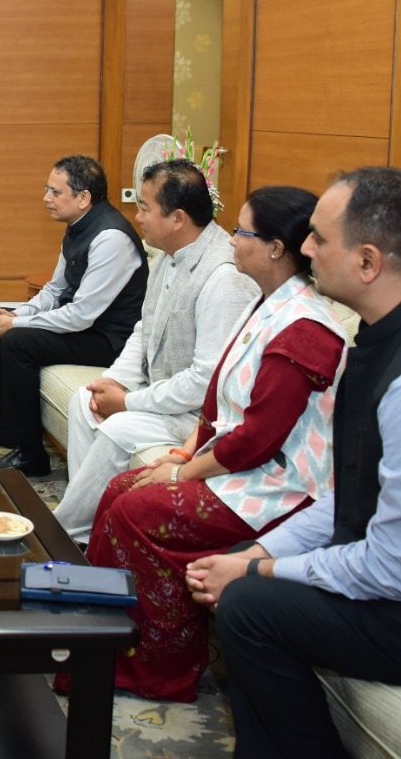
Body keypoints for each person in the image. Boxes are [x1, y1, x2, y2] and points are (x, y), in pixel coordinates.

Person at [186, 167, 401, 757]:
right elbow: (353, 493)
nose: (306, 249)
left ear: (368, 262)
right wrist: (259, 553)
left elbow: (400, 572)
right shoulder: (400, 325)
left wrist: (255, 574)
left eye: (318, 238)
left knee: (250, 606)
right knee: (247, 573)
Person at [73, 185, 346, 702]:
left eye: (242, 231)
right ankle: (97, 641)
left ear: (276, 248)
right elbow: (222, 406)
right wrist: (181, 455)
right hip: (237, 466)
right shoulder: (268, 306)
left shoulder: (306, 327)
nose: (232, 240)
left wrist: (180, 474)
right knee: (119, 491)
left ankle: (158, 665)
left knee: (140, 510)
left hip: (279, 487)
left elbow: (258, 439)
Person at [53, 159, 258, 542]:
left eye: (145, 207)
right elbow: (144, 329)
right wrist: (113, 382)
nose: (137, 216)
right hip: (164, 392)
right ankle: (86, 528)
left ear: (177, 218)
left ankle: (63, 530)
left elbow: (205, 381)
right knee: (87, 401)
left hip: (197, 415)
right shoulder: (167, 255)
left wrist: (129, 402)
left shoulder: (222, 276)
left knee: (118, 426)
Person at [0, 154, 149, 477]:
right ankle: (8, 427)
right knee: (3, 319)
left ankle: (31, 455)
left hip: (111, 340)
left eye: (55, 192)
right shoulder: (77, 226)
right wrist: (9, 315)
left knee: (17, 340)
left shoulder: (111, 238)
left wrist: (14, 325)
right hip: (89, 327)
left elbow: (80, 316)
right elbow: (54, 290)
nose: (46, 199)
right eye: (46, 190)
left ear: (83, 198)